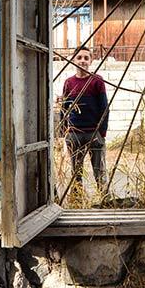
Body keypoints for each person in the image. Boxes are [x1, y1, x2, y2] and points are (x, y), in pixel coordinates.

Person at [61, 46, 109, 193]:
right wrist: (65, 131)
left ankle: (103, 198)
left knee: (99, 170)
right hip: (75, 133)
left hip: (93, 133)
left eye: (86, 58)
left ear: (91, 61)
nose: (82, 61)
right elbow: (64, 108)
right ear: (73, 60)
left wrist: (102, 132)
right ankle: (77, 199)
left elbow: (104, 108)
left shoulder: (97, 81)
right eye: (79, 58)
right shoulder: (69, 83)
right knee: (76, 171)